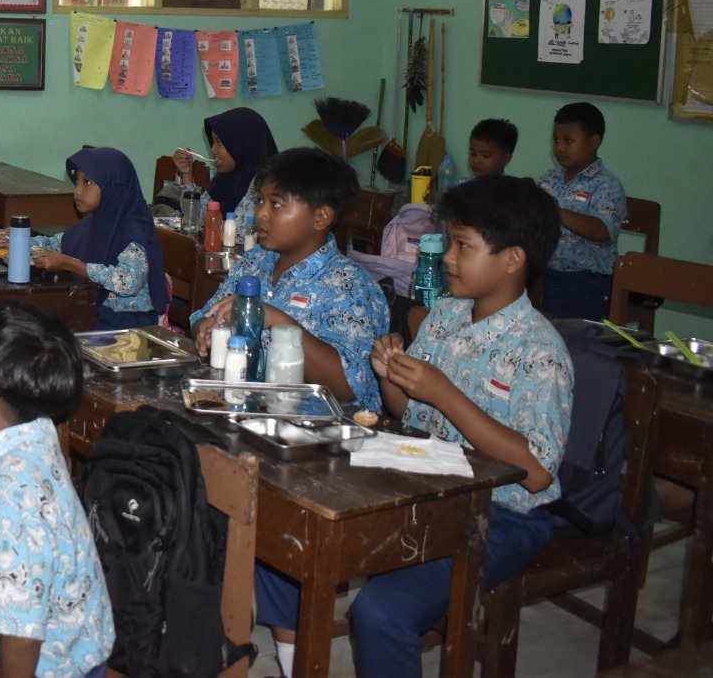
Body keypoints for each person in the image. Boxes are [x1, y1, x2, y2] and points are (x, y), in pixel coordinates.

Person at [261, 175, 570, 678]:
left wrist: (443, 392)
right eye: (450, 242)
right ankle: (295, 659)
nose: (447, 257)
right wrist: (392, 375)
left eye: (463, 246)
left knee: (381, 611)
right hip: (427, 485)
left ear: (513, 259)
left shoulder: (540, 351)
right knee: (290, 518)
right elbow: (406, 411)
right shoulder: (446, 315)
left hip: (502, 515)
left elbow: (535, 471)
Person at [0, 299, 115, 678]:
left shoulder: (12, 498)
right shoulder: (26, 432)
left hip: (46, 664)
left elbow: (21, 631)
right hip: (14, 635)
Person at [193, 147, 387, 411]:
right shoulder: (255, 262)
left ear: (321, 217)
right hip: (253, 407)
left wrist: (279, 322)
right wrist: (206, 330)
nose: (261, 213)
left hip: (325, 427)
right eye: (260, 200)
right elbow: (205, 315)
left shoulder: (352, 287)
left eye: (276, 204)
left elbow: (348, 385)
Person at [31, 147, 170, 330]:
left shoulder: (133, 229)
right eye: (78, 182)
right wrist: (19, 239)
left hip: (129, 325)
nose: (78, 192)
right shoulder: (97, 220)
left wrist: (68, 264)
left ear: (112, 187)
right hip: (98, 312)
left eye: (87, 182)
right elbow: (59, 244)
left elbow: (128, 281)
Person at [535, 101, 625, 321]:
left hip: (588, 281)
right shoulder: (548, 180)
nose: (560, 148)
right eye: (556, 140)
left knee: (575, 342)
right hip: (547, 274)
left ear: (594, 141)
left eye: (568, 141)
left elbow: (603, 229)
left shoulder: (606, 185)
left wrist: (556, 212)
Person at [171, 107, 278, 214]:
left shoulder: (266, 184)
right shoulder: (224, 178)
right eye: (213, 142)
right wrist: (187, 175)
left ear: (241, 144)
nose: (213, 150)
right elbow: (195, 219)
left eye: (219, 142)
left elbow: (239, 228)